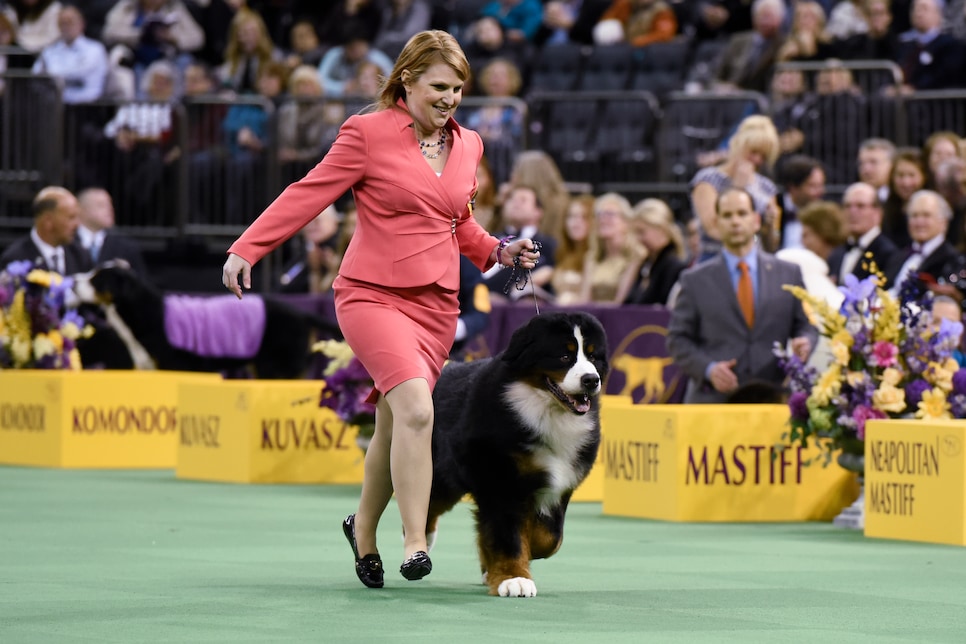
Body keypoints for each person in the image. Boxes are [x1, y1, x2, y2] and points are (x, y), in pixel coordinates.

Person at [221, 30, 540, 589]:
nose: (450, 99)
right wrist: (247, 247)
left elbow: (458, 222)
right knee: (418, 409)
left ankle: (362, 530)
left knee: (393, 425)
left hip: (437, 305)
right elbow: (308, 191)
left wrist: (498, 251)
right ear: (408, 80)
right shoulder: (366, 134)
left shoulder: (469, 145)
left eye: (459, 89)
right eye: (440, 86)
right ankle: (415, 541)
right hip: (371, 294)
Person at [667, 187, 816, 404]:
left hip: (773, 400)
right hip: (713, 403)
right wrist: (708, 369)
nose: (735, 221)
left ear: (756, 220)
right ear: (716, 224)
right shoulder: (694, 280)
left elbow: (806, 325)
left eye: (742, 213)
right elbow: (677, 340)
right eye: (727, 215)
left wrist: (806, 341)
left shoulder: (789, 273)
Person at [0, 185, 91, 274]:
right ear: (48, 221)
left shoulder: (80, 256)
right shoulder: (16, 260)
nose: (77, 224)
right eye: (71, 218)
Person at [31, 4, 109, 104]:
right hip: (56, 105)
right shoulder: (50, 50)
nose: (66, 27)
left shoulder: (95, 49)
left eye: (70, 22)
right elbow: (36, 72)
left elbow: (81, 72)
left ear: (82, 24)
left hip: (87, 106)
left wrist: (53, 75)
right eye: (63, 23)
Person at [618, 197, 687, 306]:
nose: (638, 239)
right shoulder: (646, 265)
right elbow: (626, 303)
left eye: (641, 232)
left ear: (661, 229)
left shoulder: (674, 268)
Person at [827, 181, 898, 286]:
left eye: (860, 206)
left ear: (877, 213)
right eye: (847, 206)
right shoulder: (837, 253)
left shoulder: (888, 254)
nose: (852, 211)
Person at [75, 187, 148, 276]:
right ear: (81, 209)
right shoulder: (65, 242)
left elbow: (141, 283)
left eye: (110, 204)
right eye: (101, 205)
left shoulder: (127, 247)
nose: (110, 209)